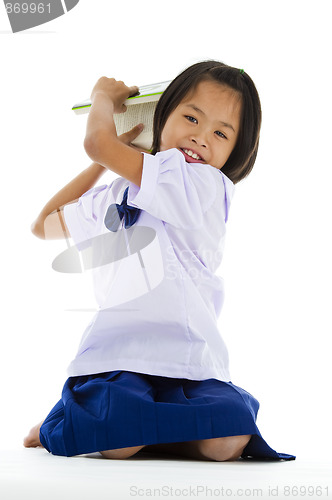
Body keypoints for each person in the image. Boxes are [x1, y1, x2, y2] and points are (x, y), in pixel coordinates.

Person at [24, 60, 295, 462]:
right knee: (119, 446)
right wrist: (105, 163)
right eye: (191, 117)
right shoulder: (116, 193)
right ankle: (80, 427)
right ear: (162, 115)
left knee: (229, 442)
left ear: (235, 150)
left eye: (221, 133)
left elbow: (97, 141)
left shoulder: (205, 183)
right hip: (119, 357)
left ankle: (119, 429)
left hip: (190, 359)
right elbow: (43, 224)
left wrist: (103, 100)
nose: (201, 137)